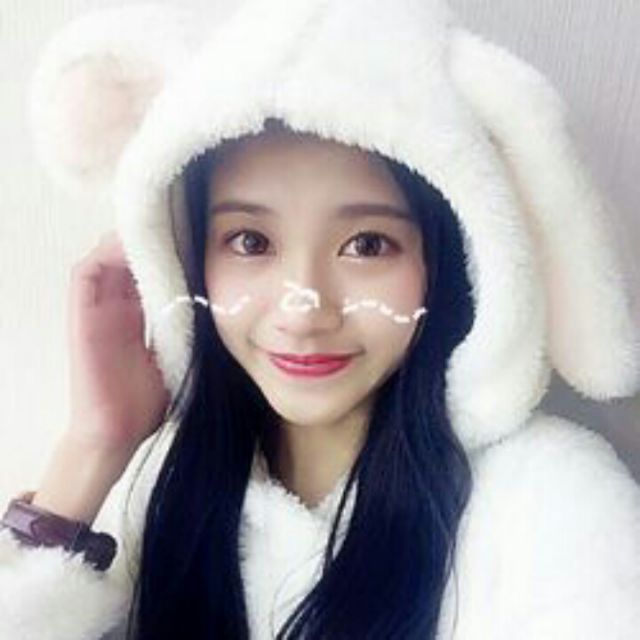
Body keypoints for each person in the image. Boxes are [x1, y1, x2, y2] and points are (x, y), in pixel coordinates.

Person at [2, 2, 640, 639]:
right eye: (250, 242)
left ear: (452, 257)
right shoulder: (165, 483)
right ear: (185, 258)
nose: (302, 310)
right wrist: (94, 445)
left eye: (368, 245)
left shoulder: (550, 509)